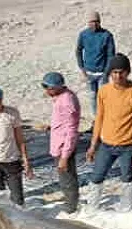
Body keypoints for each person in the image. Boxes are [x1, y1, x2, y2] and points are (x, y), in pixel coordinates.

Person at [85, 53, 132, 212]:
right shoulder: (104, 91)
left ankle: (126, 208)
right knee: (96, 176)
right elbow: (99, 118)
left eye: (121, 72)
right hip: (106, 144)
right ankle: (91, 209)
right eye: (114, 72)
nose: (118, 76)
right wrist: (93, 145)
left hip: (128, 146)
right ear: (109, 73)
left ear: (128, 72)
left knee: (127, 178)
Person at [43, 72, 81, 213]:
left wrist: (65, 157)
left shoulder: (66, 102)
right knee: (66, 178)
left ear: (57, 87)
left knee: (67, 179)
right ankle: (71, 204)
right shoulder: (61, 96)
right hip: (59, 145)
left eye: (48, 87)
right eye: (44, 86)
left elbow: (71, 131)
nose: (46, 90)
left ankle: (71, 209)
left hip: (64, 148)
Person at [76, 11, 116, 114]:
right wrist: (82, 67)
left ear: (100, 22)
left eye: (96, 21)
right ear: (88, 23)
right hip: (88, 73)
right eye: (91, 22)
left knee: (103, 97)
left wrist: (107, 72)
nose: (93, 24)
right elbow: (78, 50)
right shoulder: (83, 34)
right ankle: (96, 118)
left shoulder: (107, 35)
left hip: (102, 73)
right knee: (92, 96)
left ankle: (105, 116)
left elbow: (111, 55)